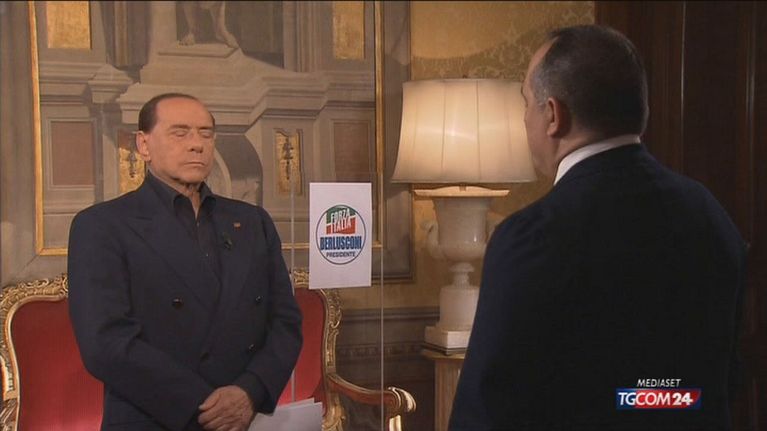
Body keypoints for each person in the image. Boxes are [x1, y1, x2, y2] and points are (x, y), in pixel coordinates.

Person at [449, 25, 746, 430]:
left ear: (553, 115)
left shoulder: (533, 237)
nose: (525, 118)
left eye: (526, 103)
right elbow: (722, 381)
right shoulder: (709, 213)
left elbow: (486, 413)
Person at [68, 93, 302, 431]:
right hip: (154, 418)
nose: (197, 144)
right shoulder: (103, 225)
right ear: (143, 145)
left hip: (243, 417)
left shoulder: (252, 222)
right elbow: (105, 342)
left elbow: (285, 323)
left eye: (206, 134)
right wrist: (204, 406)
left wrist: (250, 392)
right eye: (180, 133)